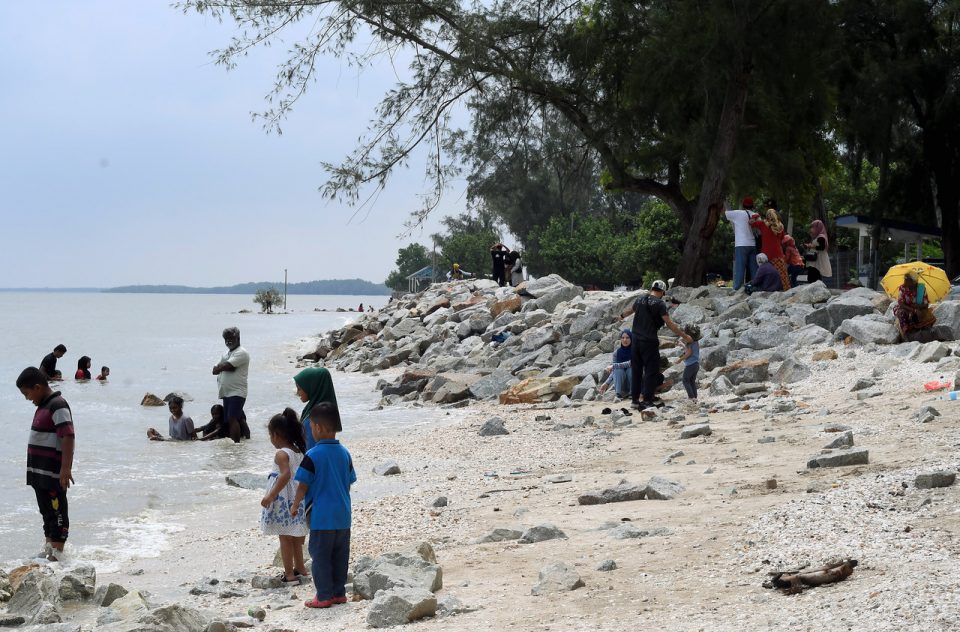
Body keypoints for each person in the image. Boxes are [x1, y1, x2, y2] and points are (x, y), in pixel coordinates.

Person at [291, 402, 356, 609]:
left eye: (310, 427)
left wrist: (294, 505)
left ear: (317, 427)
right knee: (339, 556)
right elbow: (349, 482)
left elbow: (303, 485)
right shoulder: (345, 453)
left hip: (321, 517)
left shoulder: (312, 455)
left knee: (320, 557)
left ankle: (324, 595)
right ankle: (339, 592)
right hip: (343, 516)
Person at [16, 367, 75, 561]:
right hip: (39, 475)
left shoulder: (57, 404)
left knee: (57, 512)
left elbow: (67, 435)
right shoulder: (43, 406)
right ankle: (49, 550)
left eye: (27, 393)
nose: (27, 398)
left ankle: (58, 554)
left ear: (38, 387)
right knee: (46, 512)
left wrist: (65, 469)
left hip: (52, 475)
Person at [618, 280, 693, 411]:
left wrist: (621, 316)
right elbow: (668, 323)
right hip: (649, 341)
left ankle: (635, 401)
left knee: (636, 371)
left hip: (635, 340)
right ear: (663, 292)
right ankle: (647, 400)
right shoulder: (660, 304)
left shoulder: (640, 299)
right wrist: (685, 336)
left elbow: (630, 310)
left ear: (652, 288)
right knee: (651, 371)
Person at [260, 408, 310, 586]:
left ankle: (289, 574)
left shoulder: (281, 453)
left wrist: (270, 495)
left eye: (270, 435)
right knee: (296, 536)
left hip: (283, 500)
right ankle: (301, 568)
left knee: (285, 537)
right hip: (297, 498)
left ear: (276, 434)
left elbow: (285, 475)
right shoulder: (298, 451)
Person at [213, 327, 251, 441]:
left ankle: (236, 446)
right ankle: (246, 439)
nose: (228, 341)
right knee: (235, 417)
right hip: (227, 392)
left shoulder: (241, 352)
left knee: (232, 418)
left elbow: (228, 366)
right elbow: (215, 370)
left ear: (238, 338)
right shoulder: (226, 353)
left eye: (231, 338)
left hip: (237, 391)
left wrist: (223, 367)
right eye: (226, 339)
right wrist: (223, 367)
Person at [294, 367, 340, 450]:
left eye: (299, 389)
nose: (297, 393)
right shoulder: (329, 413)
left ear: (312, 387)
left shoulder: (313, 419)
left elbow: (311, 449)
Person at [750, 208, 791, 290]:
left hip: (765, 255)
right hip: (778, 254)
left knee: (765, 274)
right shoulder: (781, 226)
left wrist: (756, 216)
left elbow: (751, 223)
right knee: (783, 276)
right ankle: (786, 291)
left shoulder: (762, 224)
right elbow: (782, 238)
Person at [724, 198, 759, 290]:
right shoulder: (755, 215)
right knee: (754, 268)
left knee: (740, 268)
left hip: (741, 244)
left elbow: (725, 213)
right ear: (752, 206)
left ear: (743, 205)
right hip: (752, 244)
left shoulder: (738, 213)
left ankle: (737, 288)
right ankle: (756, 288)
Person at [893, 271, 938, 340]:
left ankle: (921, 330)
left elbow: (926, 303)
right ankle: (907, 334)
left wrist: (919, 307)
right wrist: (914, 310)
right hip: (906, 308)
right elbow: (901, 303)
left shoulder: (921, 289)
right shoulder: (902, 288)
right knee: (902, 313)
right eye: (905, 279)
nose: (905, 281)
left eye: (907, 279)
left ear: (913, 281)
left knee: (925, 314)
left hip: (919, 307)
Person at [598, 330, 633, 399]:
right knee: (617, 369)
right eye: (622, 338)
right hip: (622, 385)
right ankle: (618, 394)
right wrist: (607, 383)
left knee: (631, 368)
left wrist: (613, 366)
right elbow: (614, 370)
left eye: (627, 338)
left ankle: (632, 393)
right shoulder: (617, 353)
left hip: (634, 384)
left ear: (632, 339)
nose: (625, 340)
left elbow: (631, 363)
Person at [676, 325, 701, 403]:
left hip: (690, 365)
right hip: (696, 364)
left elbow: (689, 353)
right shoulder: (695, 342)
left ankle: (691, 397)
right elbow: (689, 350)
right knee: (692, 381)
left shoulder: (690, 343)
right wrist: (683, 345)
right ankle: (695, 398)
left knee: (685, 380)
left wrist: (680, 359)